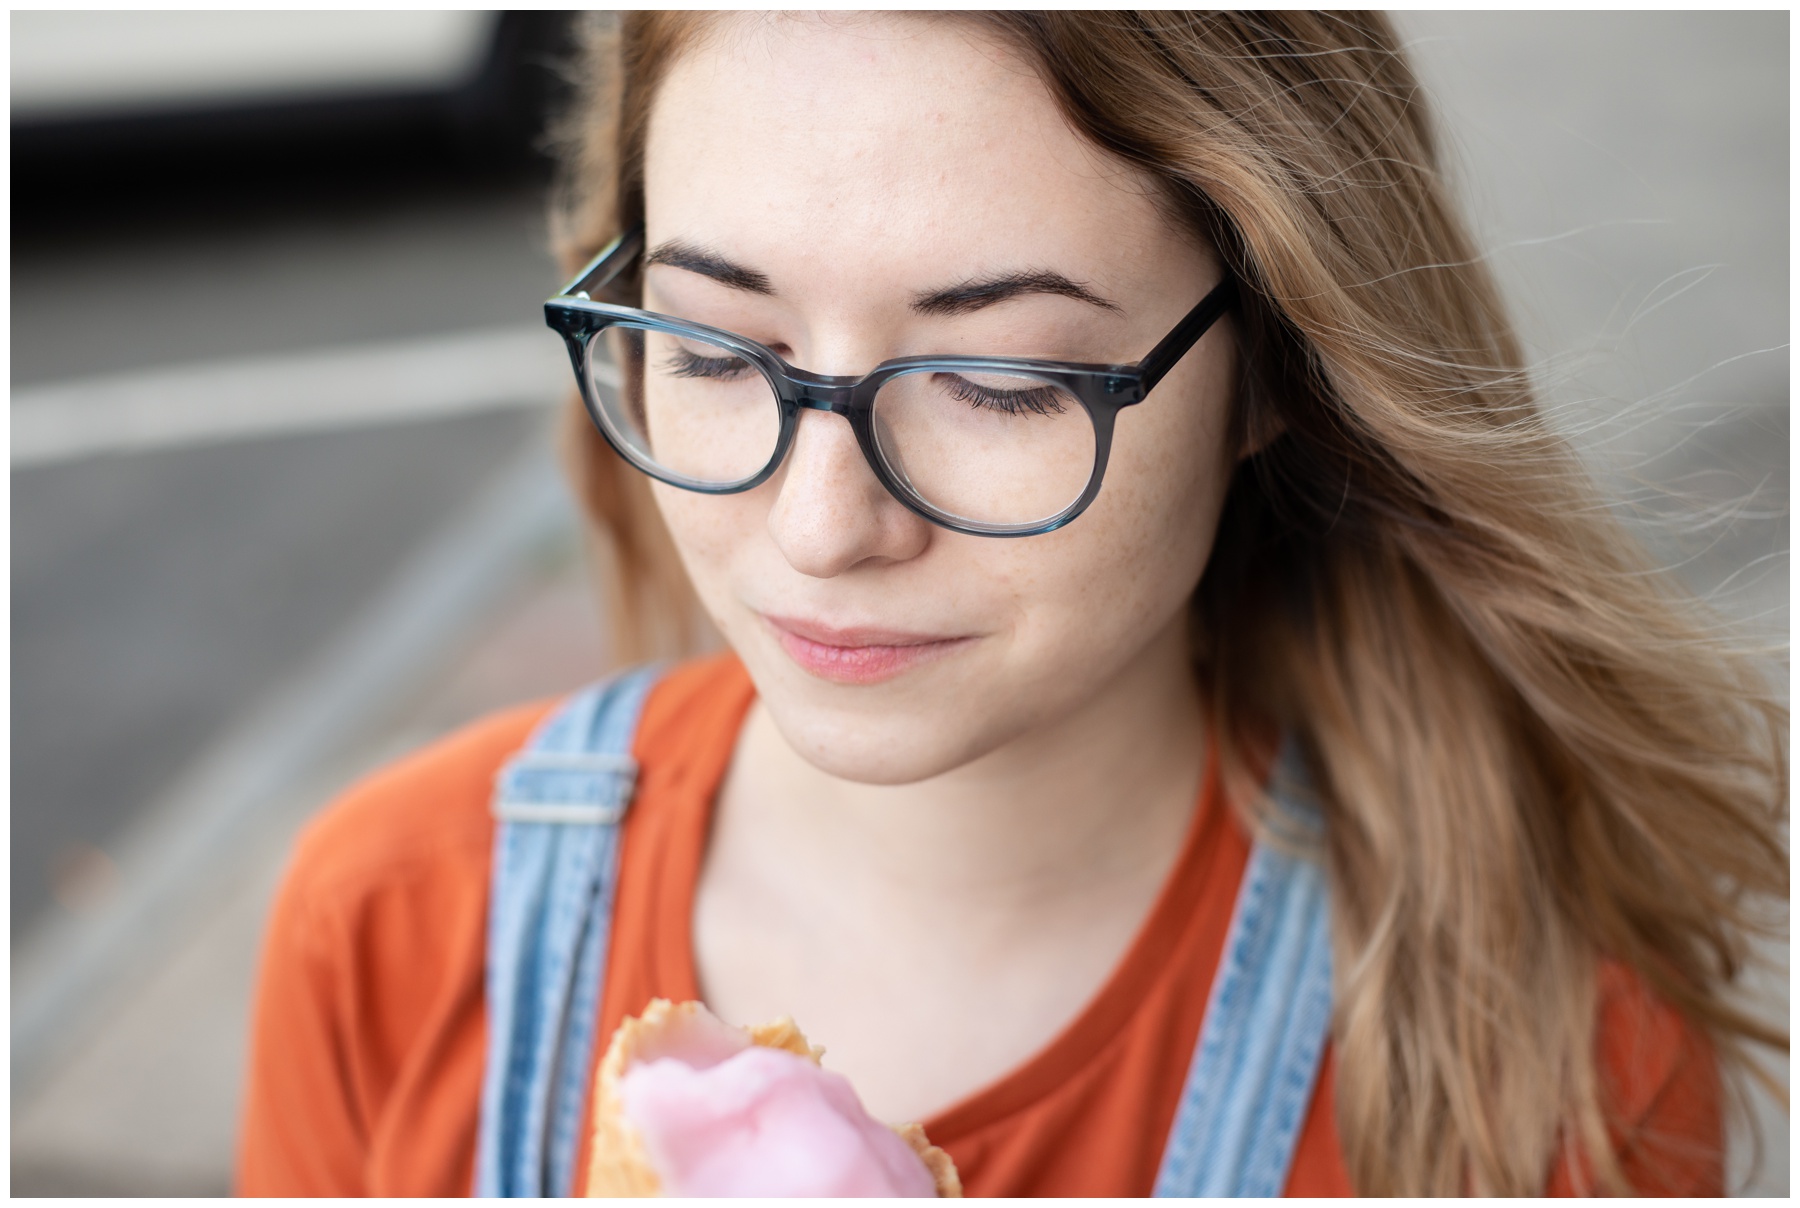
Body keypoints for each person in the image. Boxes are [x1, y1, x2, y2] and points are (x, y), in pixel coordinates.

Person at [236, 12, 1786, 1197]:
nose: (823, 523)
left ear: (1276, 366)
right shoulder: (393, 931)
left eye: (998, 381)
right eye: (716, 351)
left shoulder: (1543, 1068)